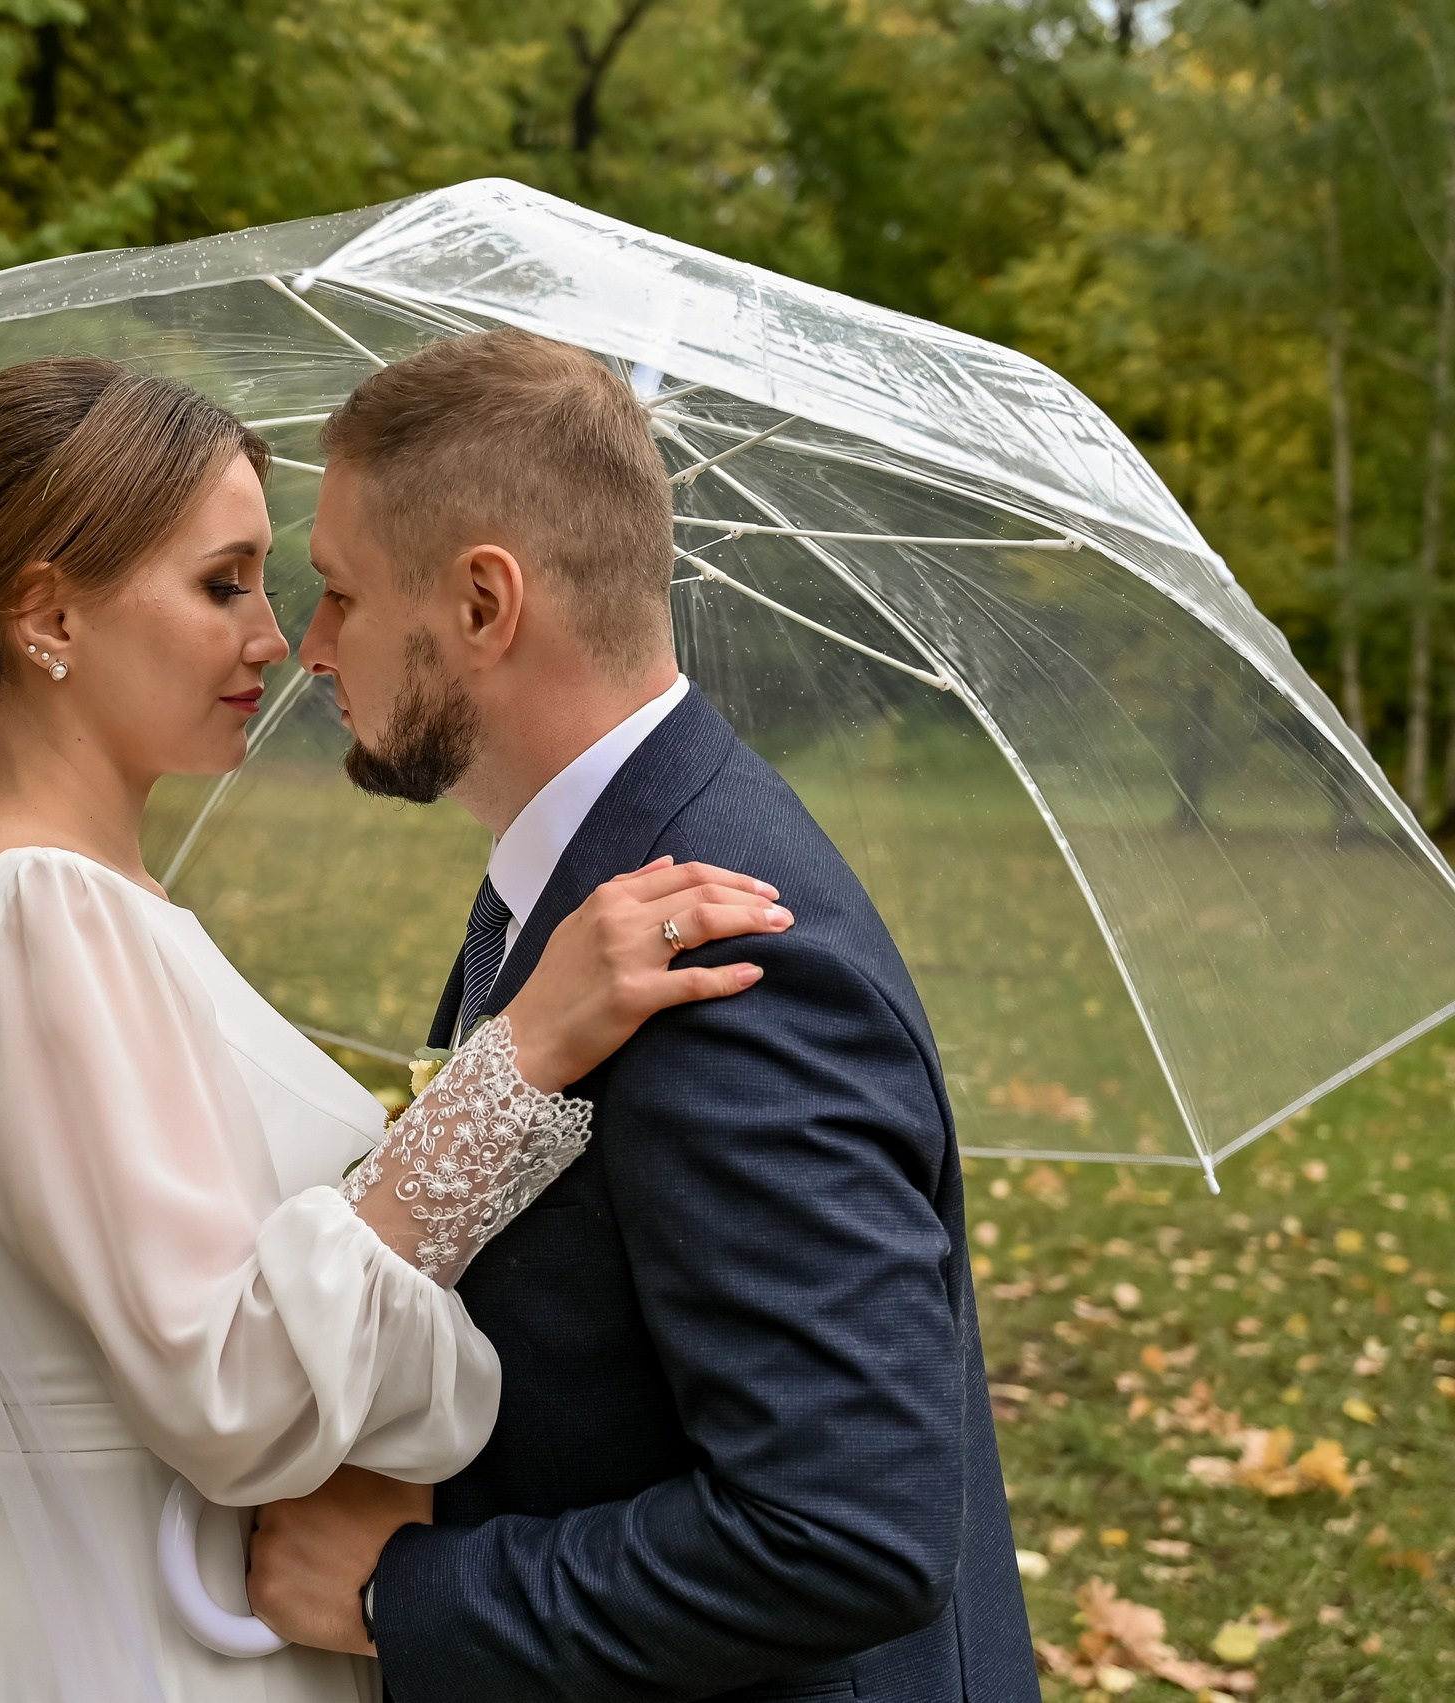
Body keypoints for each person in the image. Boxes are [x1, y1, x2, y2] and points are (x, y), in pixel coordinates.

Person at [0, 355, 794, 1701]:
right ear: (49, 616)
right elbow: (232, 1389)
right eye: (222, 584)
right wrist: (521, 1060)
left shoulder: (84, 909)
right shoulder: (39, 919)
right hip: (129, 1644)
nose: (277, 639)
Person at [243, 329, 1042, 1702]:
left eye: (337, 592)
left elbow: (846, 1534)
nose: (305, 646)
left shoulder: (731, 964)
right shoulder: (587, 876)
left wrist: (405, 1594)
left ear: (486, 604)